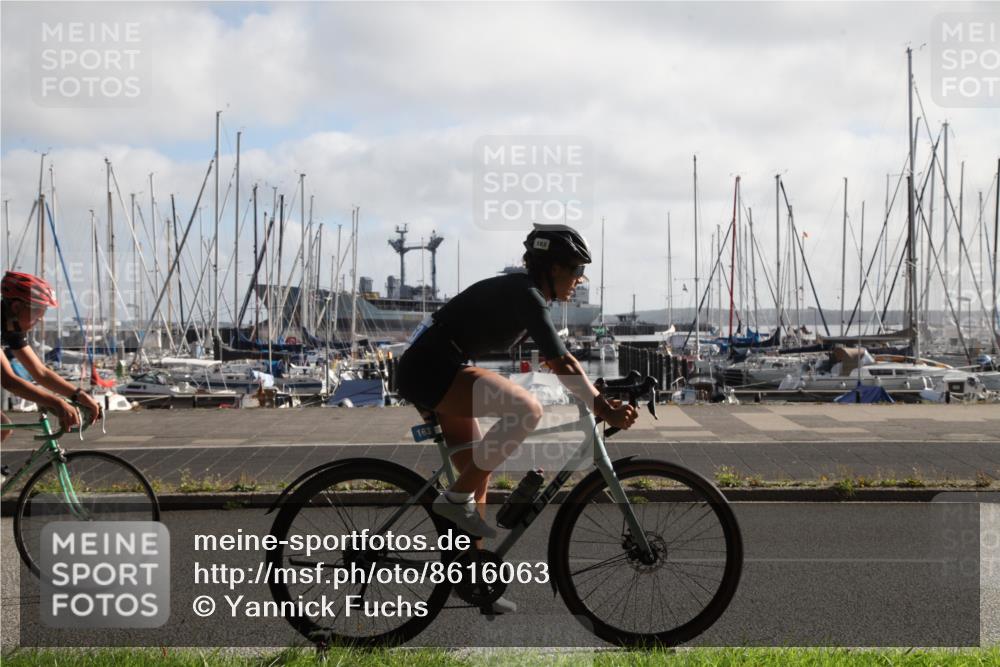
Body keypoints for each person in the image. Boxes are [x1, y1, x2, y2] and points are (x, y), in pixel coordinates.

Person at [395, 224, 638, 613]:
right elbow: (561, 362)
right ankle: (453, 501)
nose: (579, 279)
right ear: (553, 268)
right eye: (577, 269)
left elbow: (559, 357)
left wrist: (596, 394)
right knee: (527, 409)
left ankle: (473, 581)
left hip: (434, 365)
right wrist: (603, 407)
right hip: (432, 368)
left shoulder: (527, 294)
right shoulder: (527, 294)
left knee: (476, 471)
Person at [1, 271, 103, 444]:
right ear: (17, 307)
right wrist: (56, 403)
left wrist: (78, 395)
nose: (41, 318)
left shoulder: (11, 325)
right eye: (38, 310)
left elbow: (40, 372)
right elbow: (9, 381)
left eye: (44, 311)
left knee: (3, 429)